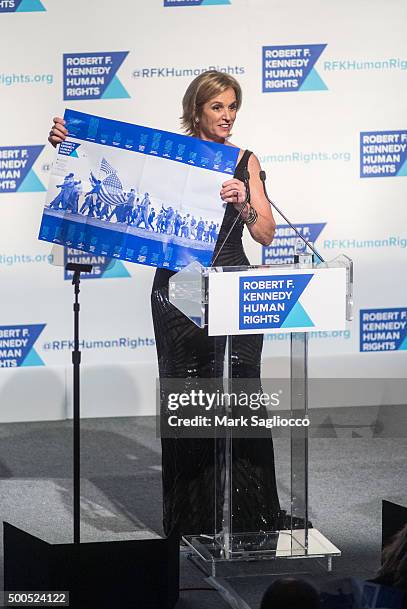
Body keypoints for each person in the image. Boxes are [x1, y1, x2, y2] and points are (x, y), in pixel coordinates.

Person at [48, 70, 282, 538]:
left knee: (238, 395)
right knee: (188, 395)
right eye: (218, 107)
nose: (228, 116)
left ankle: (249, 515)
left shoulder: (245, 161)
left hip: (234, 287)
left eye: (233, 107)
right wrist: (69, 144)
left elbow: (266, 233)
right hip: (178, 290)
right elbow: (109, 170)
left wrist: (244, 206)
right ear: (196, 110)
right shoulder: (168, 160)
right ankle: (193, 517)